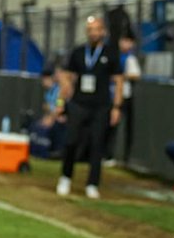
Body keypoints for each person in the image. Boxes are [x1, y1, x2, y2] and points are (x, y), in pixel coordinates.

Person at [56, 16, 123, 200]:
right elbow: (66, 79)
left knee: (97, 145)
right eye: (90, 29)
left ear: (103, 31)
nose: (94, 32)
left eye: (97, 29)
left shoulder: (111, 53)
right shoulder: (78, 52)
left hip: (101, 106)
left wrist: (117, 107)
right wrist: (60, 103)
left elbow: (118, 81)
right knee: (71, 141)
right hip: (78, 104)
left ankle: (92, 184)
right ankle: (65, 177)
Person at [104, 34, 141, 165]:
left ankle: (125, 157)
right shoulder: (114, 56)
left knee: (124, 127)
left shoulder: (130, 59)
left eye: (128, 41)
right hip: (111, 94)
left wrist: (121, 76)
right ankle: (108, 155)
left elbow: (136, 75)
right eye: (123, 41)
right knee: (110, 126)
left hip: (124, 96)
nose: (125, 44)